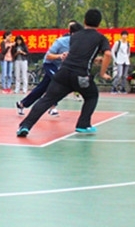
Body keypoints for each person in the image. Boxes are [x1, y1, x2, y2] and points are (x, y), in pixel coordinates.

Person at [17, 9, 112, 137]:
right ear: (99, 23)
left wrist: (94, 59)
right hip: (81, 76)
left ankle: (25, 126)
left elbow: (78, 54)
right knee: (92, 96)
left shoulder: (75, 36)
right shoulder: (100, 38)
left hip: (63, 73)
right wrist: (102, 73)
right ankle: (83, 124)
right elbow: (108, 54)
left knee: (47, 99)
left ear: (84, 21)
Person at [15, 21, 81, 116]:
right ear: (73, 34)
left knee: (42, 87)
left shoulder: (79, 44)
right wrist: (60, 56)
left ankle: (22, 104)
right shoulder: (61, 42)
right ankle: (52, 107)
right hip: (50, 64)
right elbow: (48, 56)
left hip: (61, 67)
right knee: (57, 81)